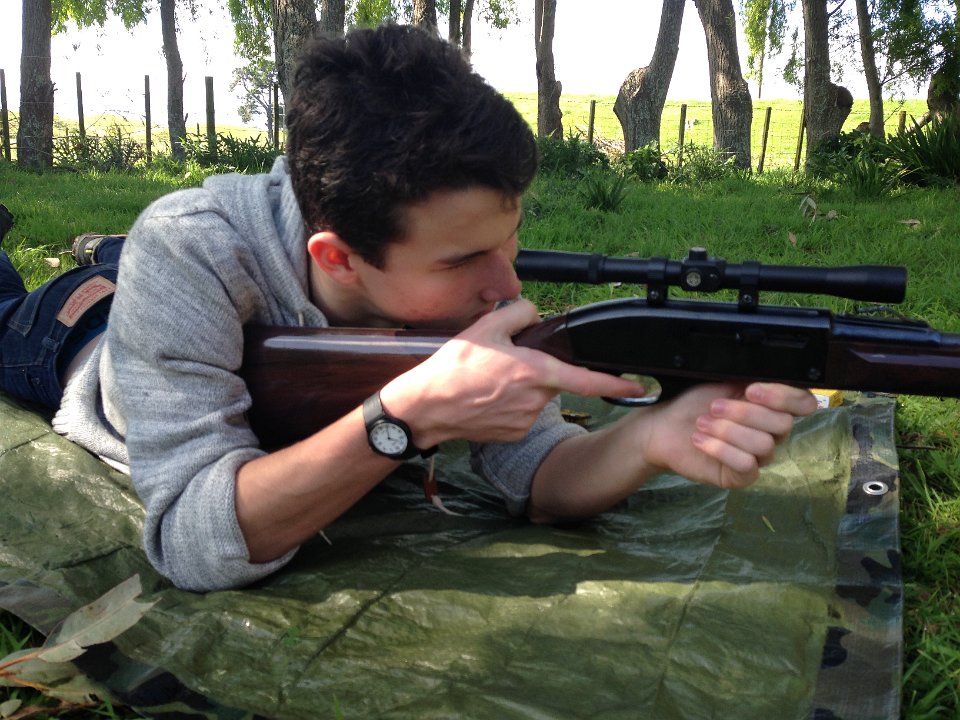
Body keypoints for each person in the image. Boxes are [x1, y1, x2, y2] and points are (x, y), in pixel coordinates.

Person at [0, 25, 817, 592]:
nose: (505, 288)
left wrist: (648, 439)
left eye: (510, 241)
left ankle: (103, 254)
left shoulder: (454, 257)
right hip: (76, 338)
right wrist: (404, 419)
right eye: (461, 262)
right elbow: (190, 544)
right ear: (338, 259)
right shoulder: (189, 249)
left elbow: (540, 475)